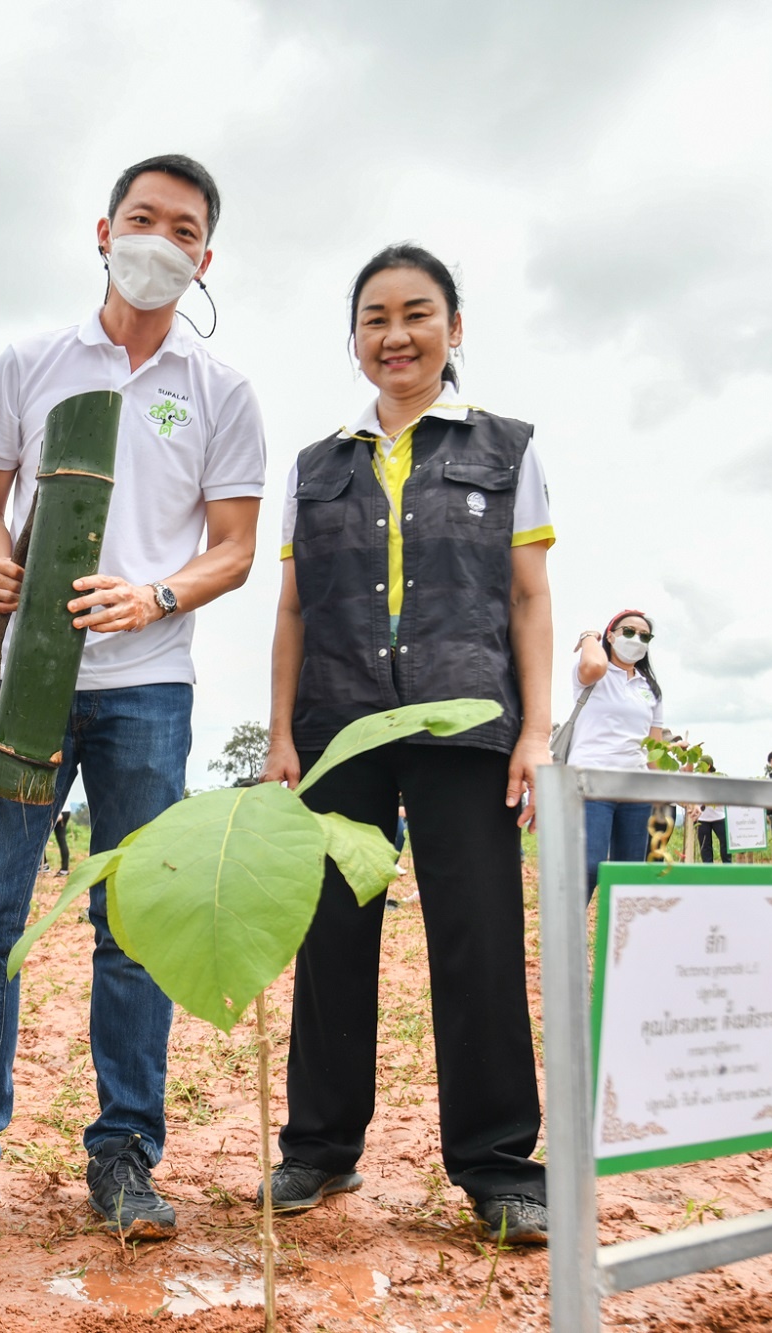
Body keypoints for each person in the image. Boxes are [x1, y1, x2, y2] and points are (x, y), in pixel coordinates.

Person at [0, 154, 264, 1245]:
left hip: (148, 692)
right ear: (101, 229)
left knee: (131, 927)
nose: (156, 238)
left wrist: (156, 594)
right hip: (22, 681)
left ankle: (124, 1154)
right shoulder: (30, 361)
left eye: (180, 228)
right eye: (140, 217)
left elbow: (233, 549)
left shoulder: (218, 391)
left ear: (204, 256)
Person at [256, 242, 554, 1243]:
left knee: (475, 937)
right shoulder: (314, 466)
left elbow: (526, 596)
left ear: (453, 329)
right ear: (354, 339)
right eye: (374, 317)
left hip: (464, 721)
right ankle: (318, 1148)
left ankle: (498, 1162)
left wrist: (535, 730)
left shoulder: (503, 449)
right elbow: (292, 610)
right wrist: (280, 737)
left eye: (416, 313)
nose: (396, 334)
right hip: (335, 728)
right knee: (332, 933)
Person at [569, 611, 665, 895]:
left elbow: (653, 750)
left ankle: (621, 937)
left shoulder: (650, 689)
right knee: (588, 867)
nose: (636, 639)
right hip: (592, 784)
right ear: (610, 635)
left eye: (644, 635)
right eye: (628, 632)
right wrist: (589, 636)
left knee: (630, 874)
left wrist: (662, 791)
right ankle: (567, 937)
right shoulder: (595, 673)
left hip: (635, 790)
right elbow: (593, 663)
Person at [691, 760, 729, 863]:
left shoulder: (718, 779)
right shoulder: (696, 779)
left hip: (719, 817)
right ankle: (708, 870)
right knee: (705, 846)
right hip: (702, 818)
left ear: (708, 766)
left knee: (725, 844)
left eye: (701, 764)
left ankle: (728, 867)